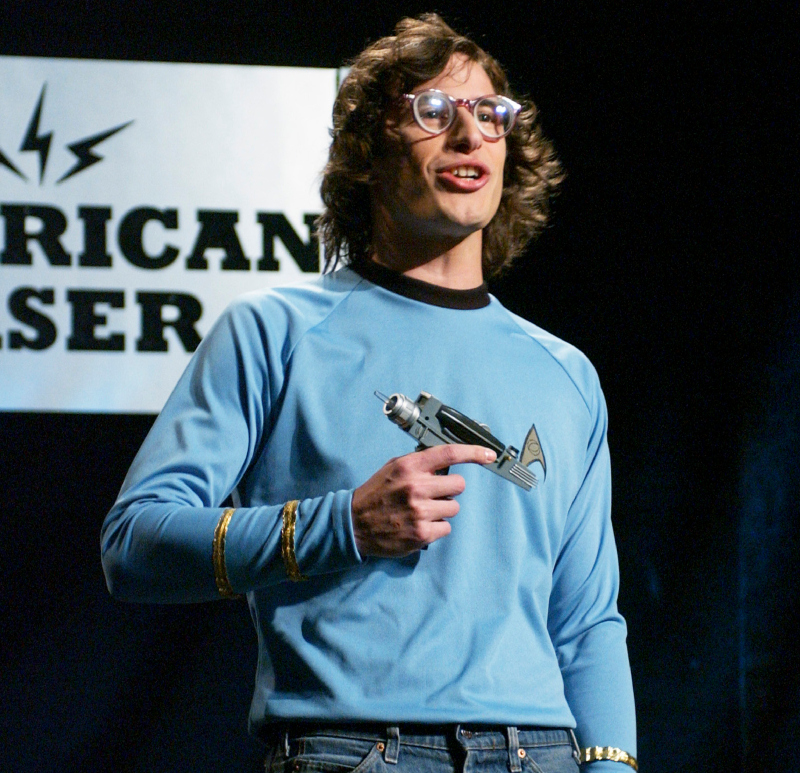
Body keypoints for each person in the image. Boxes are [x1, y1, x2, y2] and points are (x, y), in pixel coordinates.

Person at [101, 13, 637, 773]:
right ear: (368, 152)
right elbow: (135, 546)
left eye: (490, 114)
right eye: (432, 112)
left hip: (540, 753)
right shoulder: (274, 331)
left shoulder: (565, 371)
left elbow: (587, 619)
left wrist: (612, 764)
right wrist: (342, 525)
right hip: (355, 749)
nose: (468, 135)